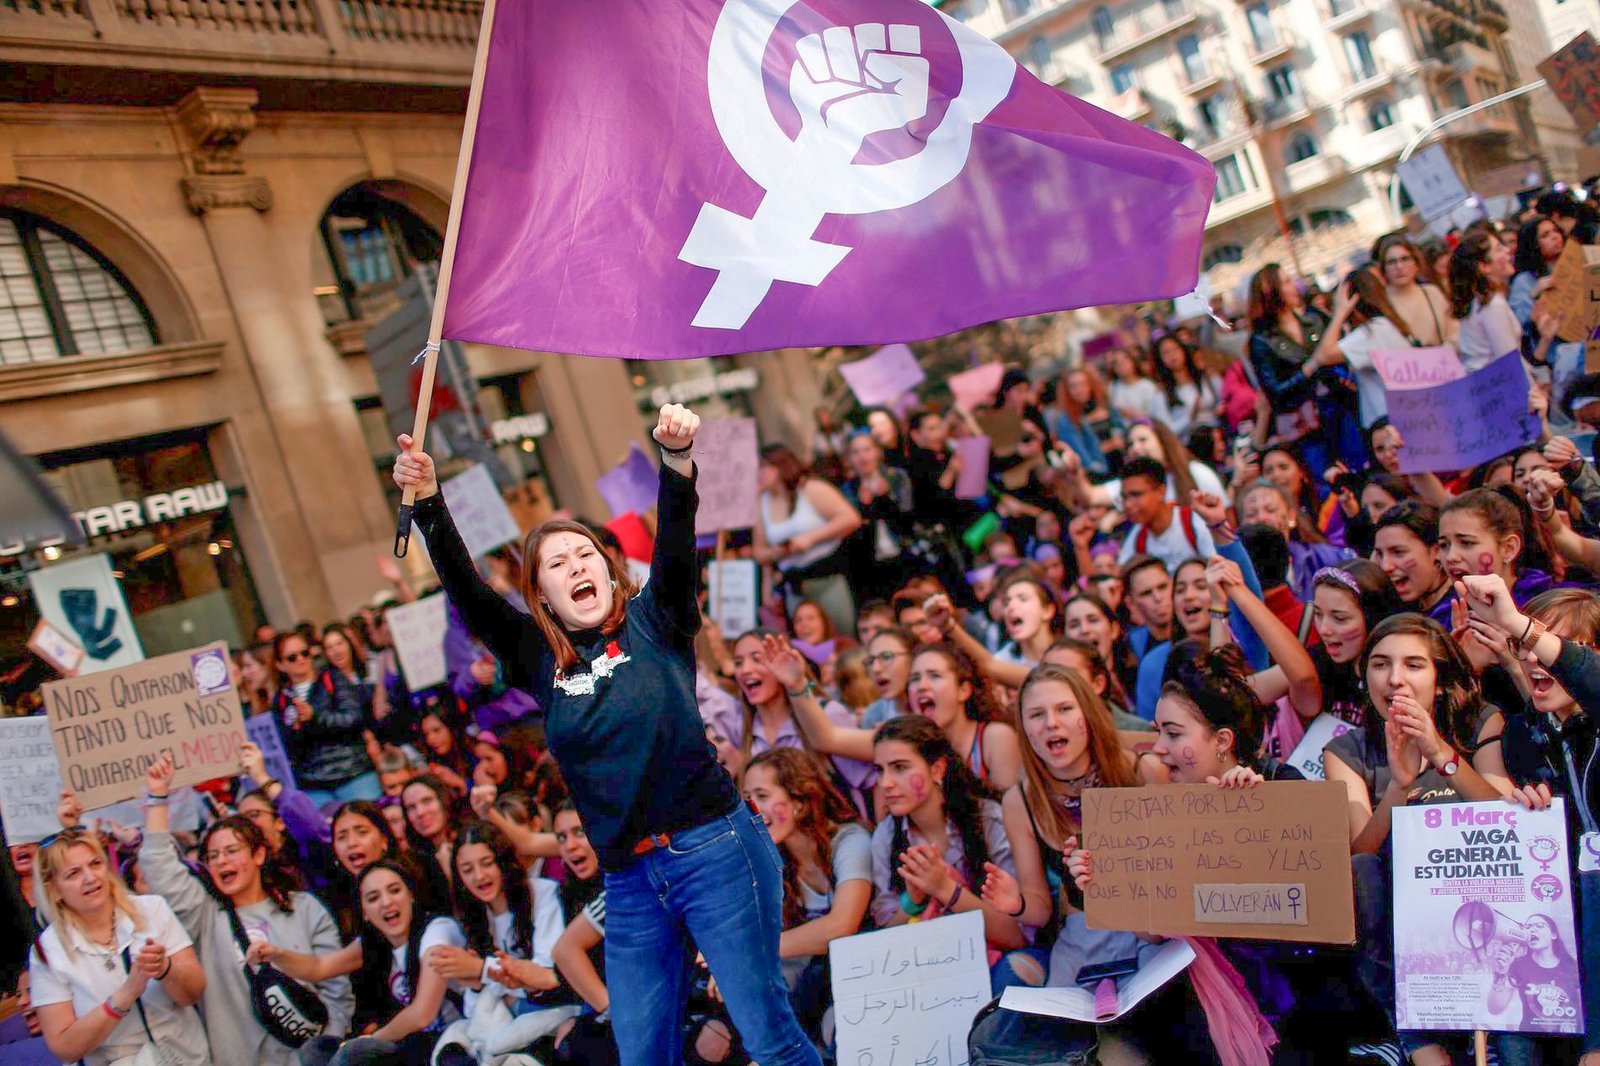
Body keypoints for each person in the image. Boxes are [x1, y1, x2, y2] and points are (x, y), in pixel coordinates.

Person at [394, 404, 820, 1066]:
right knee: (642, 1052)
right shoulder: (537, 657)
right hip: (628, 880)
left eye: (583, 554)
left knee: (768, 1036)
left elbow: (675, 545)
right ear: (541, 596)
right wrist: (427, 504)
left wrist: (676, 463)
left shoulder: (657, 620)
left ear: (608, 568)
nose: (574, 567)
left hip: (714, 851)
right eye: (556, 565)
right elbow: (471, 594)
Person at [137, 753, 354, 1065]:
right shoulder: (205, 915)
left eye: (231, 851)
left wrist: (324, 1053)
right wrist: (157, 796)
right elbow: (158, 864)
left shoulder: (305, 909)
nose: (222, 861)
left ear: (259, 855)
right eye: (213, 856)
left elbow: (337, 990)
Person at [250, 858, 467, 1066]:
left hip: (456, 1043)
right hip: (417, 1044)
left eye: (395, 890)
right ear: (365, 913)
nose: (386, 902)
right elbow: (318, 968)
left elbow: (422, 1014)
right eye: (373, 898)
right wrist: (276, 954)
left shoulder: (438, 932)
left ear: (410, 895)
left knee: (355, 1054)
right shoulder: (375, 943)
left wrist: (369, 1040)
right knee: (316, 1050)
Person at [867, 715, 1026, 989]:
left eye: (900, 768)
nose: (886, 783)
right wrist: (912, 903)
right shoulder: (886, 836)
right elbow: (885, 944)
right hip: (926, 970)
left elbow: (1017, 936)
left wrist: (946, 890)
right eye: (880, 770)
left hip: (994, 961)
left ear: (937, 769)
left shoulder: (987, 819)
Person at [28, 827, 210, 1066]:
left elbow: (194, 992)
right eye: (73, 873)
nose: (91, 877)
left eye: (95, 864)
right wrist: (124, 996)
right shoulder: (48, 950)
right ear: (54, 891)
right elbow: (65, 1047)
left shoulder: (152, 909)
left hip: (186, 1057)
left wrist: (165, 969)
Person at [742, 748, 872, 1050]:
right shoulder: (769, 859)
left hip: (860, 985)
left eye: (762, 795)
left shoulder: (850, 841)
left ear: (799, 802)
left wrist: (755, 951)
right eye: (746, 797)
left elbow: (842, 925)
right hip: (803, 992)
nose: (750, 808)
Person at [753, 443, 864, 637]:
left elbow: (851, 518)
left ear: (781, 466)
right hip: (795, 585)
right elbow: (759, 553)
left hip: (826, 577)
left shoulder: (811, 489)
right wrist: (780, 552)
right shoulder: (761, 502)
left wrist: (811, 538)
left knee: (842, 634)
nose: (758, 473)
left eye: (763, 467)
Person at [1247, 262, 1346, 473]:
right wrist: (1310, 367)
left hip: (1338, 407)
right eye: (1284, 282)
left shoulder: (1313, 318)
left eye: (1290, 280)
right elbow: (1275, 391)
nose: (1293, 286)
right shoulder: (1262, 340)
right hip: (1304, 425)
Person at [272, 630, 381, 806]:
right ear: (280, 665)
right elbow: (285, 746)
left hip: (353, 773)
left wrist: (315, 717)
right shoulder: (281, 699)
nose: (301, 659)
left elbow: (353, 718)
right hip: (313, 785)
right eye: (292, 657)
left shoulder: (332, 678)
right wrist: (296, 729)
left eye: (305, 653)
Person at [1450, 228, 1559, 374]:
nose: (1508, 250)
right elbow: (1510, 364)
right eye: (1499, 249)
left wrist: (1545, 338)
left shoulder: (1486, 301)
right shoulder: (1492, 305)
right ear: (1485, 267)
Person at [1372, 501, 1453, 625]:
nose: (1385, 566)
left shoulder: (1465, 611)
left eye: (1398, 552)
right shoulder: (1388, 607)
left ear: (1436, 551)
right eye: (1380, 554)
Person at [1373, 233, 1455, 349]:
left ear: (1416, 263)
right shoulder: (1380, 304)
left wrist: (1447, 349)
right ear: (1384, 268)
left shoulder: (1432, 293)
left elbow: (1454, 331)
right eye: (1392, 262)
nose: (1399, 267)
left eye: (1405, 259)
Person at [1151, 332, 1221, 440]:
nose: (1172, 356)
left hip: (1218, 434)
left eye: (1175, 350)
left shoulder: (1206, 377)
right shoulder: (1162, 393)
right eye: (1166, 353)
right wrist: (1190, 416)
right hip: (1190, 442)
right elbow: (1167, 430)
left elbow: (1223, 398)